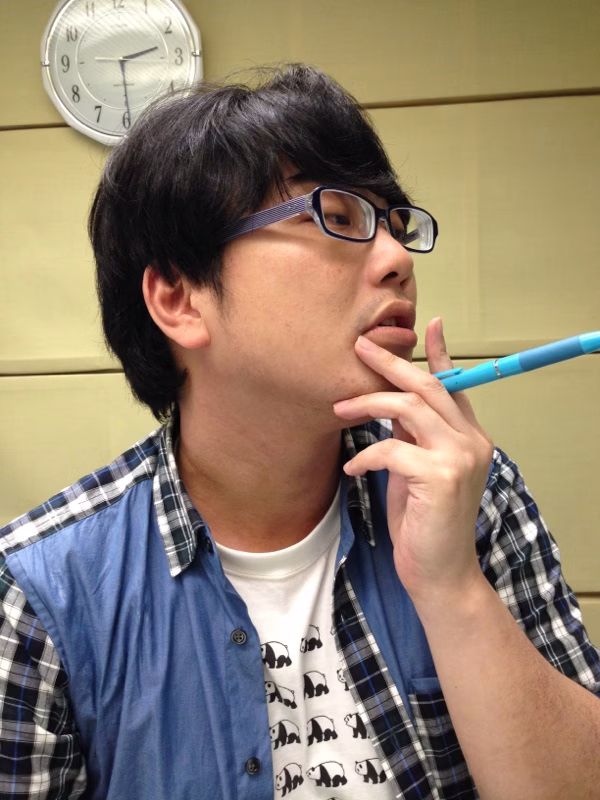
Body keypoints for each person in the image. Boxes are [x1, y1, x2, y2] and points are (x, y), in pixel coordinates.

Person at [0, 64, 598, 800]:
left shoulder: (467, 493)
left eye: (396, 224)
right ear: (179, 299)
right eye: (336, 218)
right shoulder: (38, 596)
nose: (398, 261)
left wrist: (453, 587)